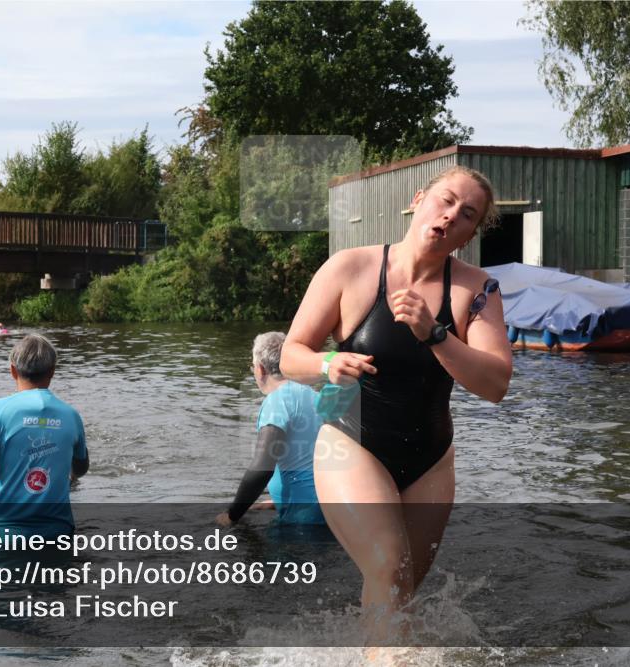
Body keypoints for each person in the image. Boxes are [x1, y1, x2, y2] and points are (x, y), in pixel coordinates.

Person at [279, 165, 512, 640]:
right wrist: (327, 365)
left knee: (399, 594)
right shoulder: (350, 267)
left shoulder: (477, 290)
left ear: (469, 234)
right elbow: (289, 355)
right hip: (351, 443)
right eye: (445, 201)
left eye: (467, 214)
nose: (451, 216)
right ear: (419, 199)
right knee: (388, 565)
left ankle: (368, 652)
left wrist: (435, 334)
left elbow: (496, 384)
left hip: (430, 460)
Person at [0, 334, 90, 543]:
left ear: (12, 370)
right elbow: (81, 468)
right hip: (58, 533)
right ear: (52, 371)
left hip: (5, 536)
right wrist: (69, 477)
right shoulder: (71, 415)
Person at [216, 332, 325, 528]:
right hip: (329, 509)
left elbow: (262, 467)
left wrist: (232, 515)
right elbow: (309, 459)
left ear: (260, 369)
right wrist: (277, 501)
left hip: (303, 519)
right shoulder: (313, 395)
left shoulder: (277, 400)